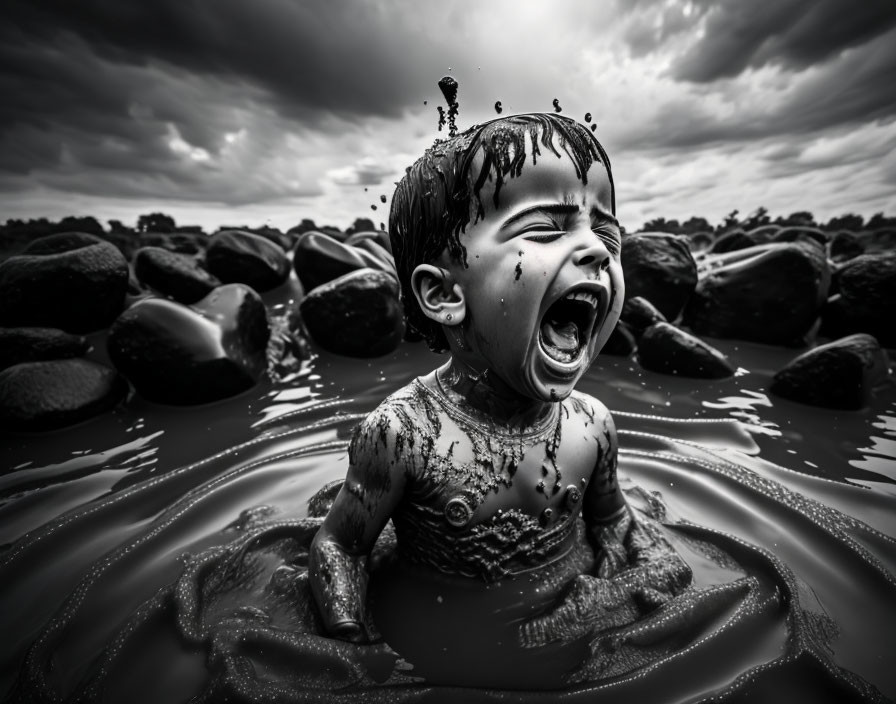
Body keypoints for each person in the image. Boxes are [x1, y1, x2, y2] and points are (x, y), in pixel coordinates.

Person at [309, 112, 691, 688]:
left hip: (570, 628)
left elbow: (613, 522)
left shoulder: (593, 426)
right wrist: (354, 643)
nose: (596, 251)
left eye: (607, 235)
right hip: (439, 643)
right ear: (443, 294)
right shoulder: (401, 434)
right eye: (545, 229)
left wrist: (641, 569)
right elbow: (341, 545)